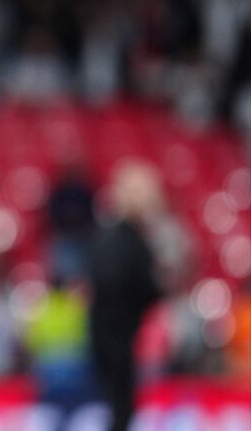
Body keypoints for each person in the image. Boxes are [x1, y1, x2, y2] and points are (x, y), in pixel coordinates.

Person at [89, 160, 164, 431]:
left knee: (119, 408)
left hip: (105, 337)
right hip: (122, 340)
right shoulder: (134, 243)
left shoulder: (106, 239)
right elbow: (149, 291)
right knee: (122, 410)